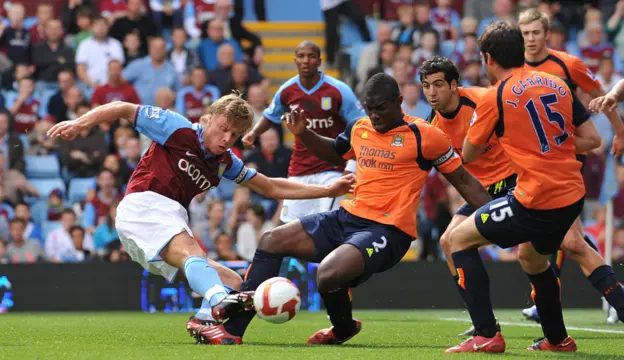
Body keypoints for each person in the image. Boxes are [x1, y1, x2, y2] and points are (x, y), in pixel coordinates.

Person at [194, 73, 491, 345]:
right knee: (272, 241)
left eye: (382, 108)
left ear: (399, 102)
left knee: (328, 274)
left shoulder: (426, 135)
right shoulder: (360, 126)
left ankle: (342, 327)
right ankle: (232, 331)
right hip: (346, 218)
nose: (374, 116)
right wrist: (304, 133)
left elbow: (464, 181)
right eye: (370, 108)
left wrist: (497, 214)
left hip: (388, 230)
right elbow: (334, 151)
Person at [47, 94, 354, 341]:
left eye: (235, 134)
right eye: (223, 127)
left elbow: (271, 186)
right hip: (145, 204)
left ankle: (204, 319)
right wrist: (80, 123)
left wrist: (328, 189)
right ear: (208, 117)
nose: (226, 138)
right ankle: (218, 300)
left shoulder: (224, 162)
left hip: (160, 223)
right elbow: (123, 108)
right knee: (200, 262)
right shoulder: (177, 128)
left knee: (235, 281)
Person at [444, 21, 602, 353]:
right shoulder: (557, 83)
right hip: (572, 195)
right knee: (531, 257)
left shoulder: (494, 96)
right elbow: (591, 139)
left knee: (457, 239)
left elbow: (470, 155)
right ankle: (558, 340)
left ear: (488, 58)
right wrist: (550, 146)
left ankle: (486, 334)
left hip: (534, 199)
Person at [518, 8, 624, 323]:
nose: (531, 39)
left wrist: (619, 131)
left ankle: (548, 302)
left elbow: (601, 96)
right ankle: (556, 300)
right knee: (564, 237)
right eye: (525, 33)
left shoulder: (568, 64)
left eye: (536, 32)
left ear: (546, 33)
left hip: (566, 156)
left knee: (564, 238)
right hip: (532, 160)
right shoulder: (513, 67)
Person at [242, 42, 363, 225]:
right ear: (295, 60)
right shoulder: (287, 91)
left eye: (311, 56)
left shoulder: (339, 90)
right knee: (288, 225)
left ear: (319, 61)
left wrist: (352, 165)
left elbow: (361, 128)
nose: (306, 61)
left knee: (327, 223)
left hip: (333, 169)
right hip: (299, 168)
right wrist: (253, 133)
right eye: (301, 56)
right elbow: (270, 115)